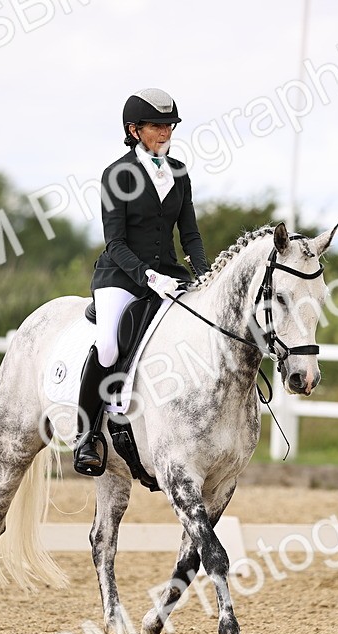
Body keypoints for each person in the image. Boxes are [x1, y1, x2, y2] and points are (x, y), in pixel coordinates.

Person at [72, 88, 210, 476]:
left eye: (170, 126)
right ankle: (87, 437)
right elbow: (114, 242)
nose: (165, 133)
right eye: (157, 126)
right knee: (108, 347)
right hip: (121, 275)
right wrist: (148, 276)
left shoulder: (179, 172)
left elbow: (191, 236)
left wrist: (205, 274)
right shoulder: (117, 174)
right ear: (134, 130)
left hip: (169, 275)